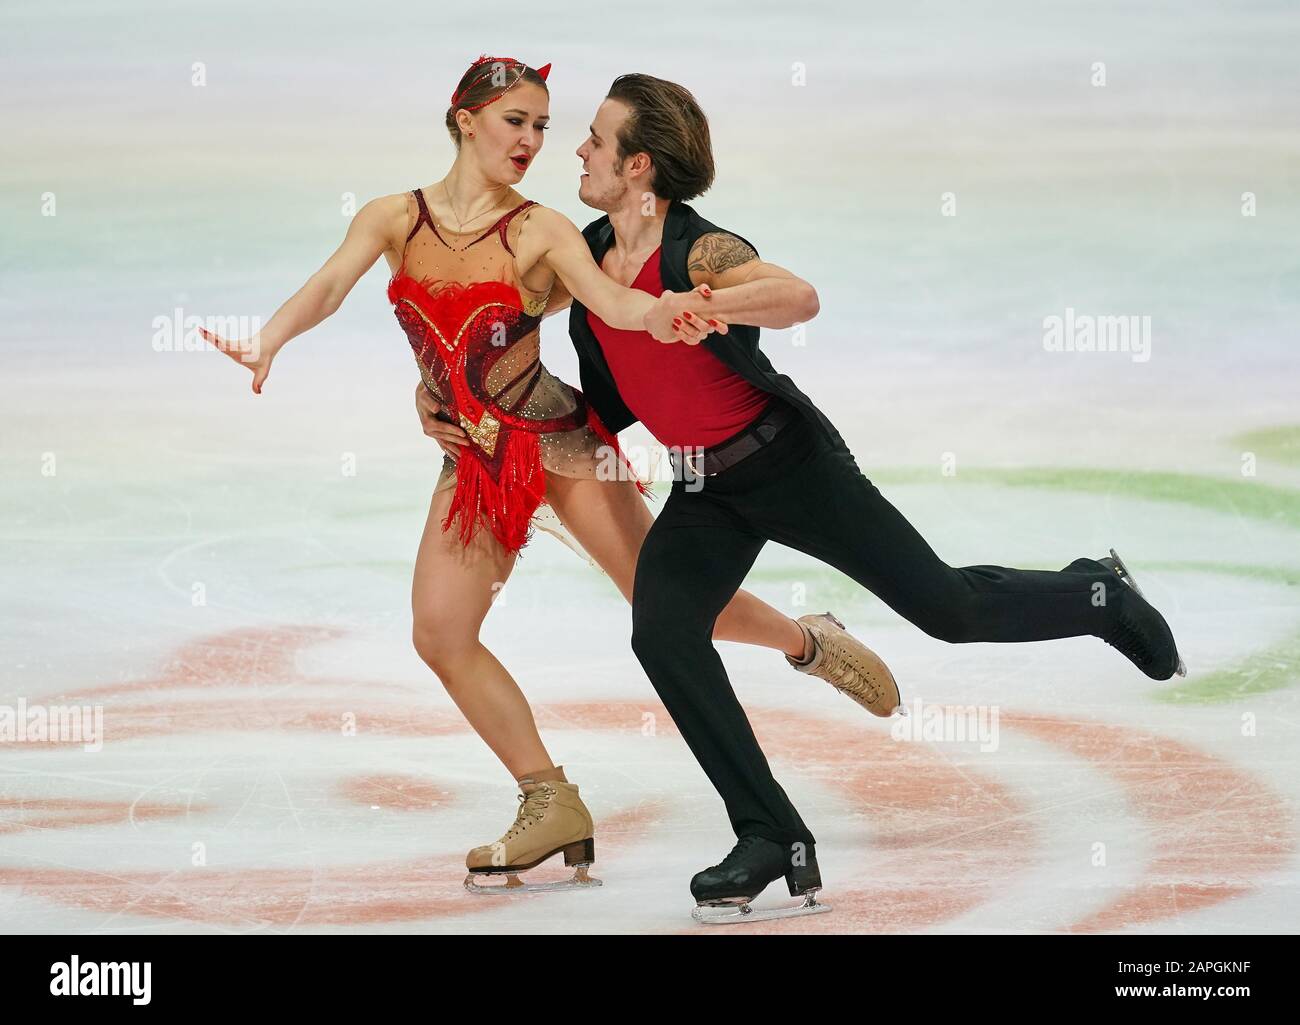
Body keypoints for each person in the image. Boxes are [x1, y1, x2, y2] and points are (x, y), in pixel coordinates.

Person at [202, 55, 898, 897]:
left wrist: (672, 310)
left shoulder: (541, 231)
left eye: (543, 124)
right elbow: (330, 286)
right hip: (475, 454)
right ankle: (551, 798)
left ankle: (808, 640)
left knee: (666, 605)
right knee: (439, 632)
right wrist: (271, 336)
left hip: (564, 444)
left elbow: (615, 305)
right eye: (516, 121)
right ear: (465, 119)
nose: (534, 140)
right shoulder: (394, 217)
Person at [545, 73, 1187, 922]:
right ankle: (774, 834)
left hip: (788, 464)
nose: (579, 152)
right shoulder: (586, 262)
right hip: (704, 487)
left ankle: (1095, 591)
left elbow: (797, 295)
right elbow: (580, 372)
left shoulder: (698, 250)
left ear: (639, 168)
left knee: (947, 608)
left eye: (595, 138)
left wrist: (705, 305)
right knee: (662, 631)